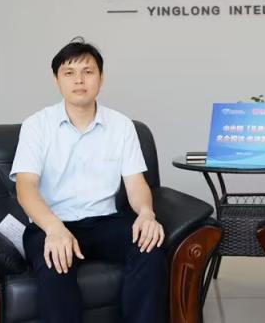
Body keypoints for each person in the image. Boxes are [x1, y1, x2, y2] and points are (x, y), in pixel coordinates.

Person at [10, 38, 165, 323]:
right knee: (56, 261)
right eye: (69, 73)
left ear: (101, 78)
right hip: (51, 223)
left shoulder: (121, 125)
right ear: (56, 80)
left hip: (105, 221)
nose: (79, 80)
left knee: (149, 247)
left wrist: (146, 213)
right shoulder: (37, 125)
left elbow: (136, 183)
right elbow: (25, 187)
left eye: (88, 72)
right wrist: (54, 228)